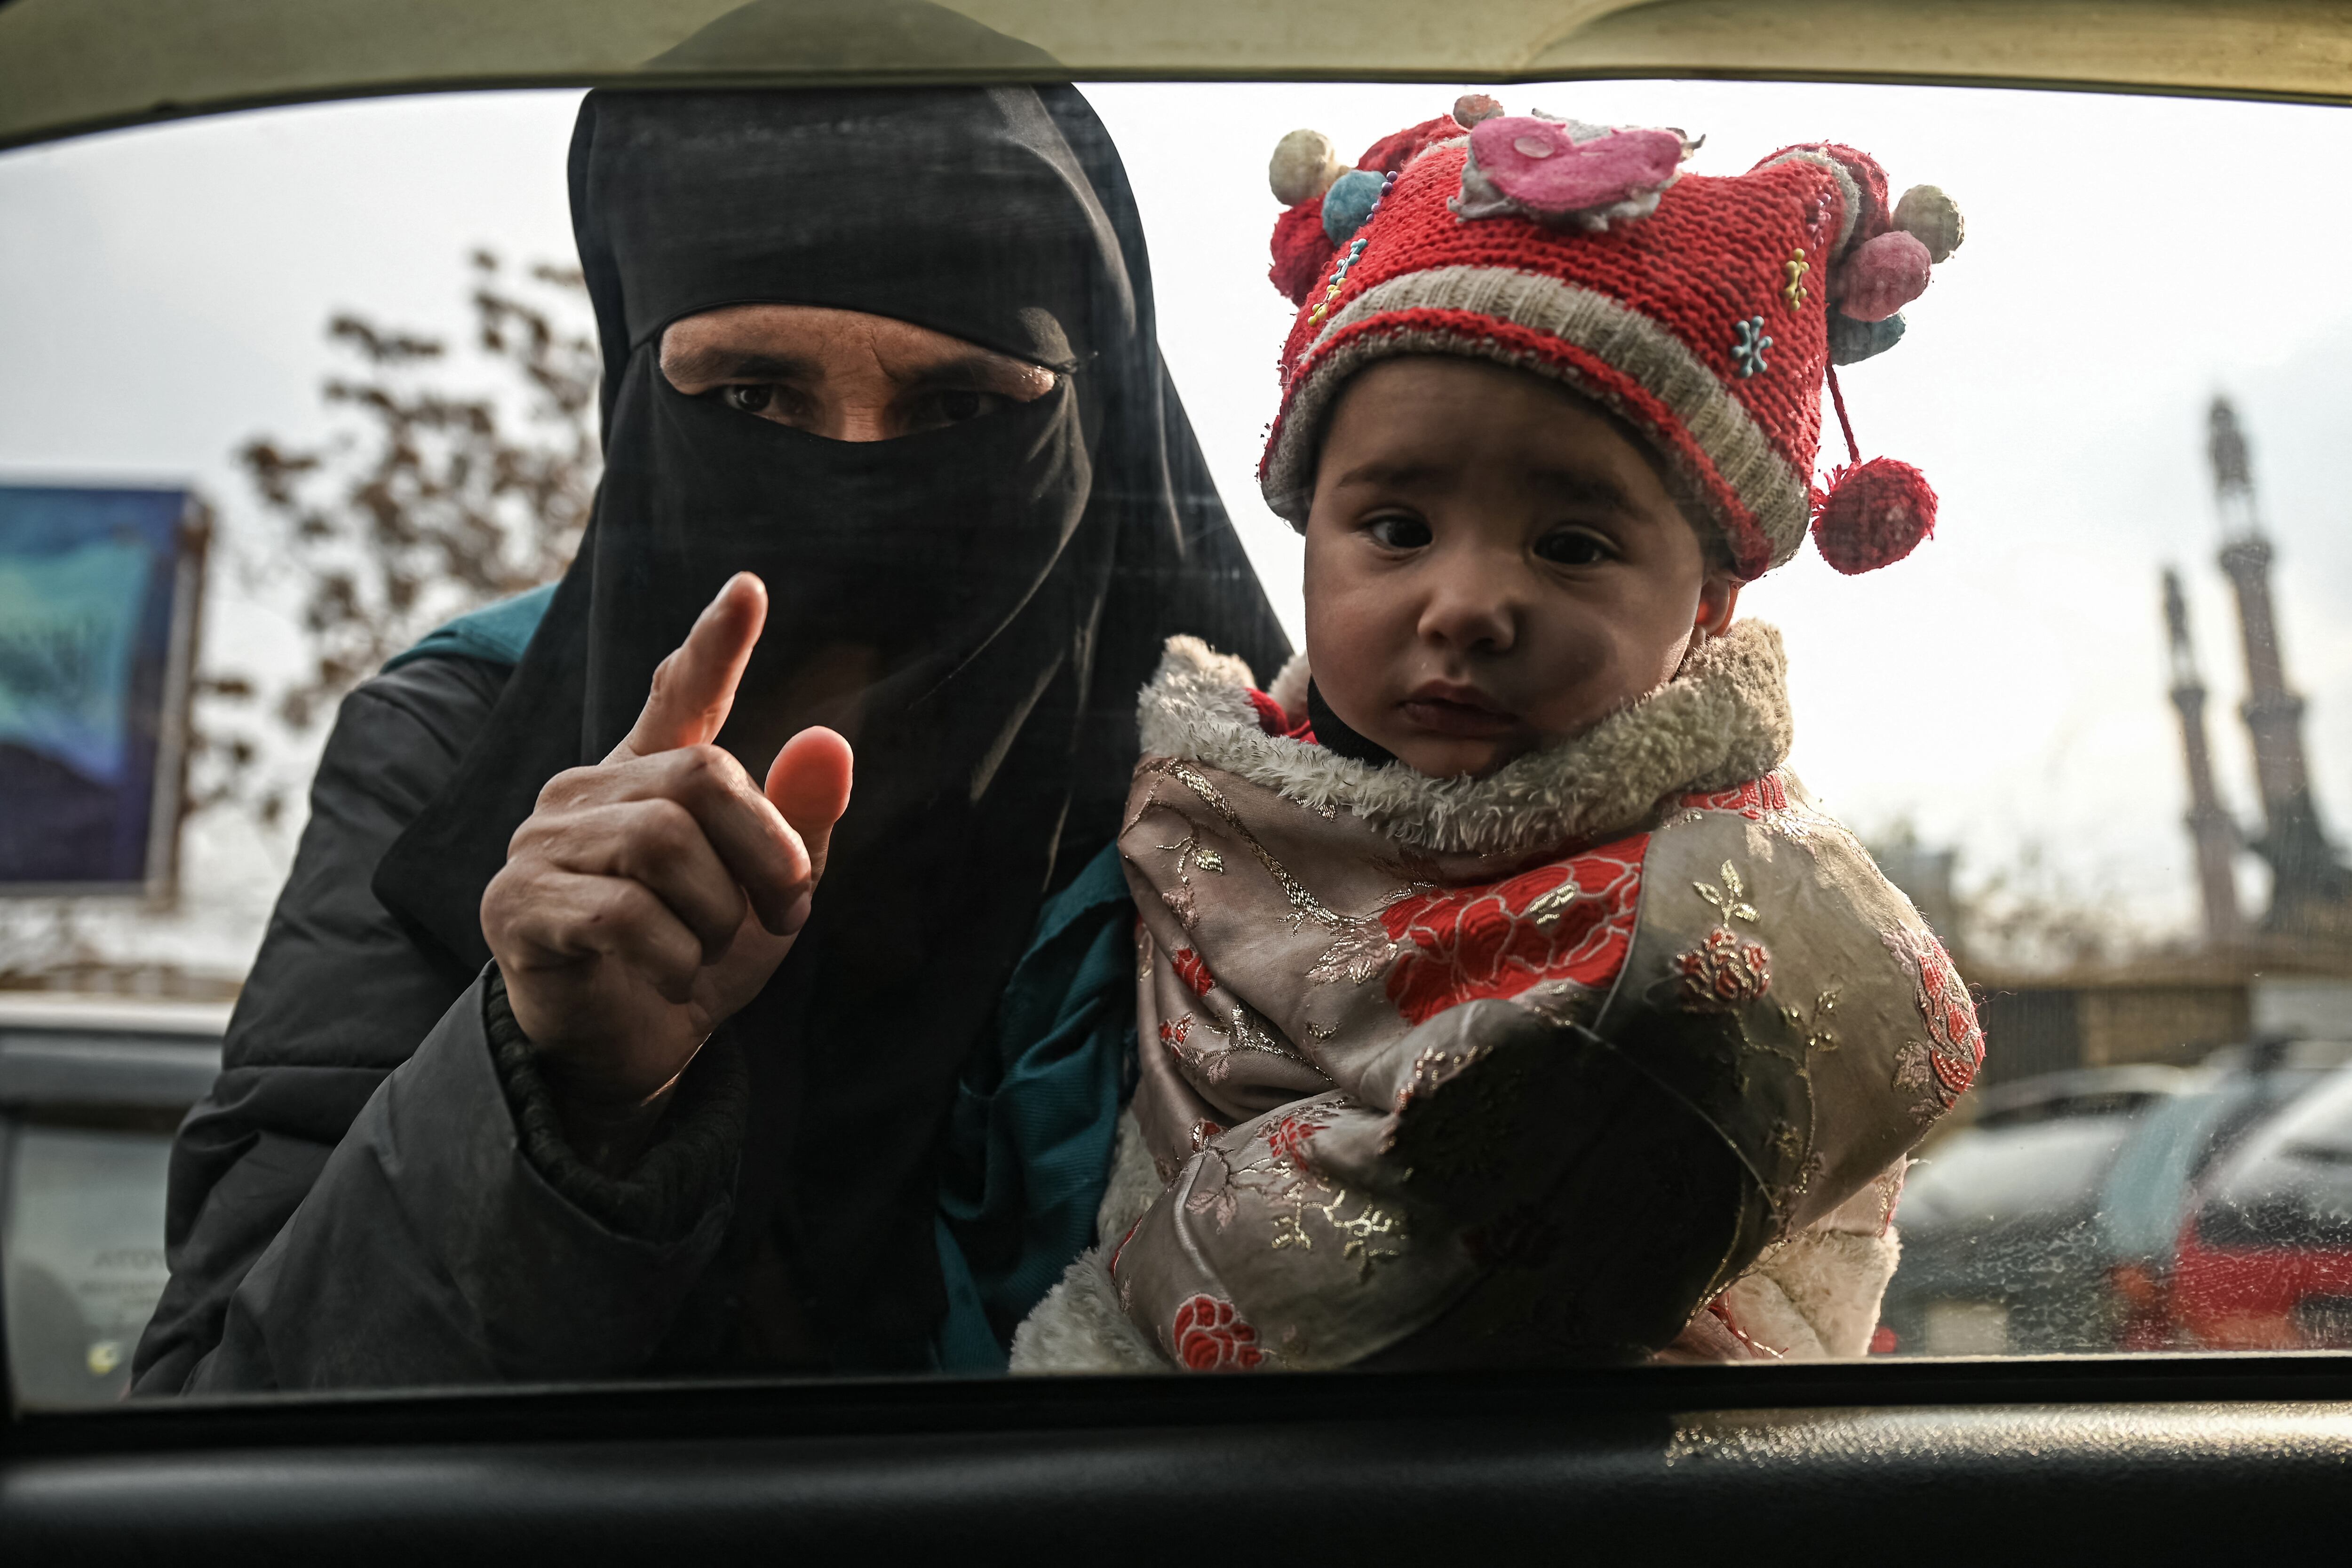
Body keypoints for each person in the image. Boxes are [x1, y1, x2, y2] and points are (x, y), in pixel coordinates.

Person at [131, 84, 1287, 1392]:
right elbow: (228, 1401)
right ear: (638, 405)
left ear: (1094, 418)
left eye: (960, 409)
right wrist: (559, 1086)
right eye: (753, 397)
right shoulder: (453, 748)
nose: (856, 491)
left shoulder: (1265, 804)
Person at [1009, 102, 1984, 1371]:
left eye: (1572, 547)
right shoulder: (1178, 836)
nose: (1465, 604)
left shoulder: (1760, 915)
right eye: (1397, 528)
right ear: (1307, 538)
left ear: (1711, 605)